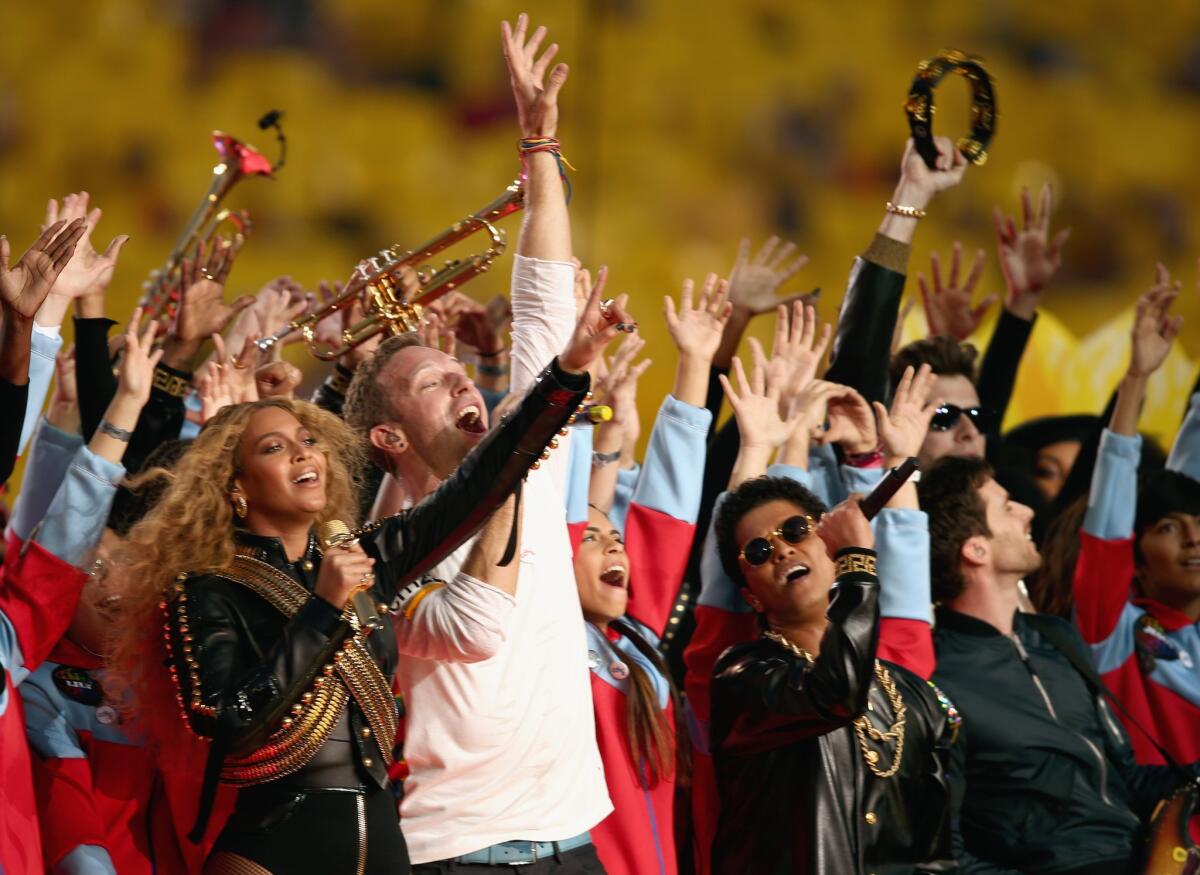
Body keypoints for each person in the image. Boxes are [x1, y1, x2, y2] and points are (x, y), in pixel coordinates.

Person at [105, 294, 605, 874]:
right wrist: (321, 610)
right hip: (274, 849)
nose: (302, 452)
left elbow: (480, 485)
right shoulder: (206, 588)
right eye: (274, 447)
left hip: (384, 847)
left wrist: (568, 370)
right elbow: (226, 720)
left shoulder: (364, 554)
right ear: (235, 486)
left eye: (308, 439)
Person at [343, 16, 618, 871]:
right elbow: (473, 626)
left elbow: (539, 293)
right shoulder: (386, 545)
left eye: (460, 373)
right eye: (435, 383)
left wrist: (539, 144)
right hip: (460, 850)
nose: (466, 383)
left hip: (577, 831)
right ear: (388, 435)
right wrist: (518, 461)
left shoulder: (521, 437)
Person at [707, 355, 957, 874]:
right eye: (758, 552)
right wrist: (856, 564)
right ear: (751, 597)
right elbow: (835, 694)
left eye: (795, 532)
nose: (779, 551)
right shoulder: (744, 676)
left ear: (823, 536)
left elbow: (935, 853)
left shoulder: (914, 695)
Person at [920, 452, 1197, 874]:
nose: (1029, 511)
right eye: (1008, 507)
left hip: (1136, 856)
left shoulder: (1055, 637)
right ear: (976, 549)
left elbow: (1128, 778)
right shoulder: (937, 674)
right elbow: (944, 854)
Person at [567, 275, 724, 875]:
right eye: (591, 540)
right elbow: (563, 512)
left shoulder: (637, 640)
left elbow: (666, 516)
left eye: (616, 539)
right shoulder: (546, 643)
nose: (617, 549)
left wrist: (696, 365)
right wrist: (577, 384)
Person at [1073, 275, 1200, 769]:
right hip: (1165, 840)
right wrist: (1136, 381)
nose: (1193, 538)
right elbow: (1106, 530)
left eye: (1197, 521)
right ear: (1136, 560)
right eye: (1168, 528)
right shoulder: (1117, 635)